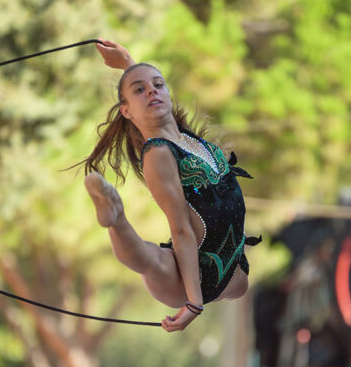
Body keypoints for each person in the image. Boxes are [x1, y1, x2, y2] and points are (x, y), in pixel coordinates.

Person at [82, 39, 261, 333]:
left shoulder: (187, 139)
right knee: (151, 259)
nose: (152, 90)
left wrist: (129, 64)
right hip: (189, 276)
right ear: (126, 111)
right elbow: (180, 228)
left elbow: (154, 100)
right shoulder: (159, 153)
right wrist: (193, 302)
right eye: (139, 90)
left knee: (156, 261)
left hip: (233, 272)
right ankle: (115, 217)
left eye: (158, 85)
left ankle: (115, 216)